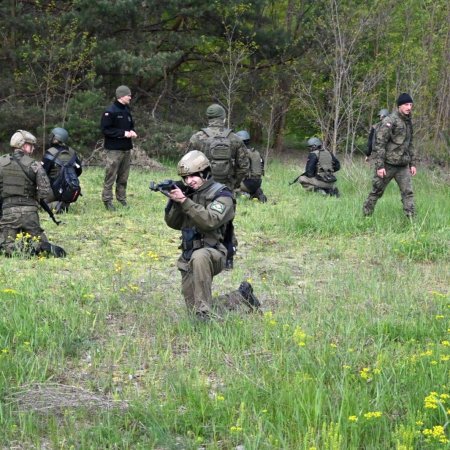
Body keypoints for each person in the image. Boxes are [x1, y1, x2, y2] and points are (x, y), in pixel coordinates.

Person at [164, 150, 260, 320]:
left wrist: (185, 202)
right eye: (185, 178)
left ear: (205, 172)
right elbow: (173, 224)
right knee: (194, 310)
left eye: (193, 176)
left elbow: (210, 221)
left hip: (214, 252)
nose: (189, 181)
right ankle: (241, 297)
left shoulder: (223, 195)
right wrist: (175, 202)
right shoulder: (190, 193)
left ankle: (205, 316)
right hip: (188, 255)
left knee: (200, 257)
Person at [188, 104, 249, 269]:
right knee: (227, 222)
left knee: (202, 219)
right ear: (223, 118)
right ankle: (228, 258)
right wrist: (233, 184)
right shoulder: (234, 138)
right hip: (226, 189)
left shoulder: (198, 138)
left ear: (208, 118)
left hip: (203, 189)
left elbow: (187, 164)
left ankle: (198, 255)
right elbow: (244, 166)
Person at [0, 130, 66, 257]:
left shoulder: (1, 163)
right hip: (30, 214)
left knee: (5, 245)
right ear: (23, 145)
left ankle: (14, 249)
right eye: (31, 145)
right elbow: (45, 191)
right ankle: (41, 248)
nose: (33, 148)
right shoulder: (34, 165)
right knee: (38, 241)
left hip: (8, 213)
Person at [363, 93, 417, 218]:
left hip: (403, 165)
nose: (409, 107)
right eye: (406, 105)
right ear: (399, 106)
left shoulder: (408, 122)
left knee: (408, 192)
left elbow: (410, 144)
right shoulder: (389, 121)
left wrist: (412, 163)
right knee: (377, 191)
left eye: (410, 105)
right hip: (387, 165)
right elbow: (380, 144)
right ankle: (366, 216)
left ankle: (412, 221)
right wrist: (379, 166)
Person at [100, 85, 137, 211]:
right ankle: (107, 200)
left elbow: (131, 125)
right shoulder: (110, 111)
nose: (130, 97)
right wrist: (123, 134)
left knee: (123, 176)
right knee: (110, 175)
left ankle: (121, 198)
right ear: (121, 96)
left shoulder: (127, 110)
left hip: (126, 149)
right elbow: (106, 130)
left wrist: (132, 131)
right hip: (114, 150)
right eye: (128, 95)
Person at [42, 127, 82, 213]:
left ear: (55, 138)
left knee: (35, 205)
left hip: (53, 190)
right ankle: (63, 203)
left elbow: (41, 173)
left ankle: (56, 206)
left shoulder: (50, 153)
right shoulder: (72, 152)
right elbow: (79, 171)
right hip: (69, 190)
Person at [235, 130, 267, 203]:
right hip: (258, 182)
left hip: (247, 183)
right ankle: (256, 192)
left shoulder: (243, 154)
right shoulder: (256, 152)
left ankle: (242, 193)